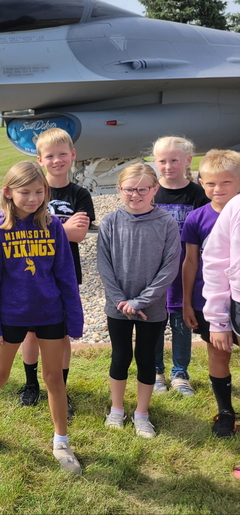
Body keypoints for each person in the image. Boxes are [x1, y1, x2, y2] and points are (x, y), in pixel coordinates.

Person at [0, 161, 84, 475]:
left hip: (51, 314)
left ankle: (61, 442)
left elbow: (65, 275)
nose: (33, 198)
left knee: (54, 378)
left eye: (39, 191)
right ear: (8, 192)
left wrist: (74, 318)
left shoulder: (53, 227)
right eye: (25, 192)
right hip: (11, 315)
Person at [97, 163, 181, 439]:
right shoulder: (110, 222)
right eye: (129, 189)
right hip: (118, 307)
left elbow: (169, 267)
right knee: (120, 356)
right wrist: (121, 300)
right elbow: (104, 265)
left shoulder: (166, 223)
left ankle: (142, 413)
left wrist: (141, 301)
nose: (135, 195)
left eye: (142, 189)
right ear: (119, 189)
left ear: (154, 189)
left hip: (151, 309)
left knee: (146, 359)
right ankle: (117, 409)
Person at [17, 129, 94, 418]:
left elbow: (80, 234)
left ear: (73, 155)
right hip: (31, 273)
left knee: (60, 334)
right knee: (31, 332)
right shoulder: (34, 191)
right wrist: (64, 229)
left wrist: (48, 230)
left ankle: (60, 387)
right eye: (50, 156)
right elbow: (26, 230)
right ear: (40, 159)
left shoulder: (79, 194)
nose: (57, 160)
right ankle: (30, 384)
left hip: (65, 274)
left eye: (63, 154)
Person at [181, 150, 240, 439]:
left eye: (226, 183)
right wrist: (188, 303)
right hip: (212, 299)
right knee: (218, 354)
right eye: (211, 184)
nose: (218, 190)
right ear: (201, 182)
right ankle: (225, 411)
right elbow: (192, 262)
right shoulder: (197, 218)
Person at [151, 136, 209, 395]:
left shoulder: (198, 194)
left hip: (185, 268)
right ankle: (155, 371)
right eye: (162, 161)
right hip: (154, 270)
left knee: (181, 322)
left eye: (174, 160)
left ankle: (180, 373)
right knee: (154, 322)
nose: (168, 166)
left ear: (187, 160)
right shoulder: (150, 190)